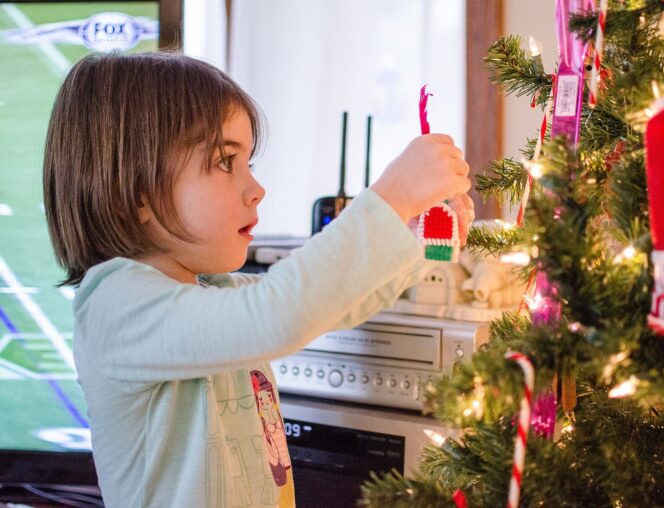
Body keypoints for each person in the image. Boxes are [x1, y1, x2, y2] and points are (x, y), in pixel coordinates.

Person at [43, 52, 473, 507]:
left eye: (249, 163)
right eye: (227, 162)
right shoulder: (115, 305)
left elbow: (337, 302)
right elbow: (279, 311)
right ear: (135, 194)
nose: (256, 187)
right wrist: (391, 197)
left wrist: (414, 244)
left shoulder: (216, 294)